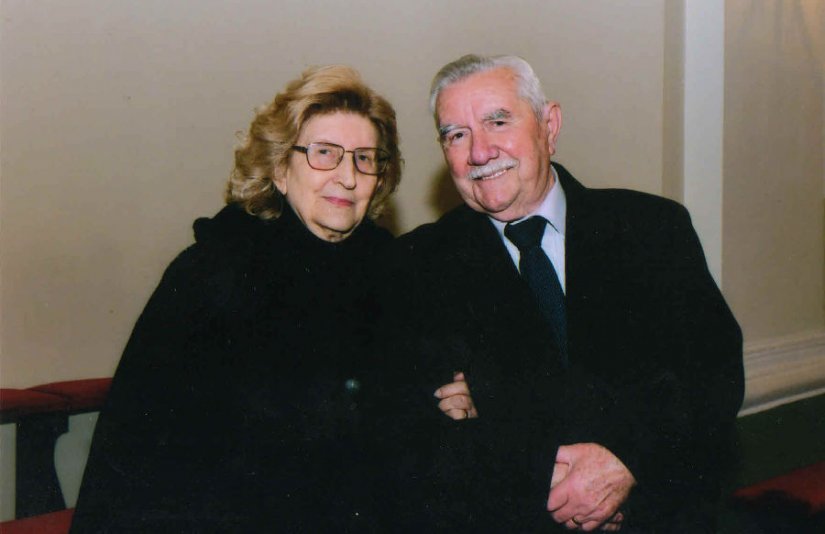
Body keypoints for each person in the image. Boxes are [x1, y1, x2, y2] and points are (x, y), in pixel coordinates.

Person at [377, 54, 744, 532]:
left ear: (549, 126)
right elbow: (418, 436)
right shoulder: (417, 264)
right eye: (456, 135)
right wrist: (552, 481)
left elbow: (712, 375)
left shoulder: (652, 229)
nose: (480, 152)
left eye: (498, 121)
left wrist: (625, 462)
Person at [70, 65, 410, 532]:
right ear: (280, 169)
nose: (347, 176)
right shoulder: (213, 275)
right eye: (324, 154)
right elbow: (137, 455)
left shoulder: (395, 276)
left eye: (365, 158)